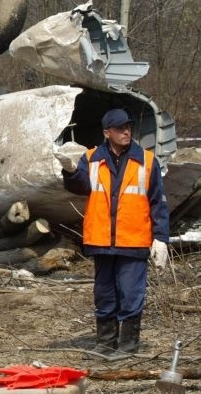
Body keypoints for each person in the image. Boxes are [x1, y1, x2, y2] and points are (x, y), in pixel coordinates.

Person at [59, 108, 169, 356]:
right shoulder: (91, 159)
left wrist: (161, 238)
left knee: (130, 293)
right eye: (120, 128)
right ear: (107, 133)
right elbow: (81, 186)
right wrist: (70, 172)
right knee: (105, 294)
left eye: (128, 127)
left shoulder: (148, 161)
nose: (126, 132)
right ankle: (106, 342)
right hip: (101, 239)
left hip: (134, 240)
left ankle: (128, 345)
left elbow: (158, 203)